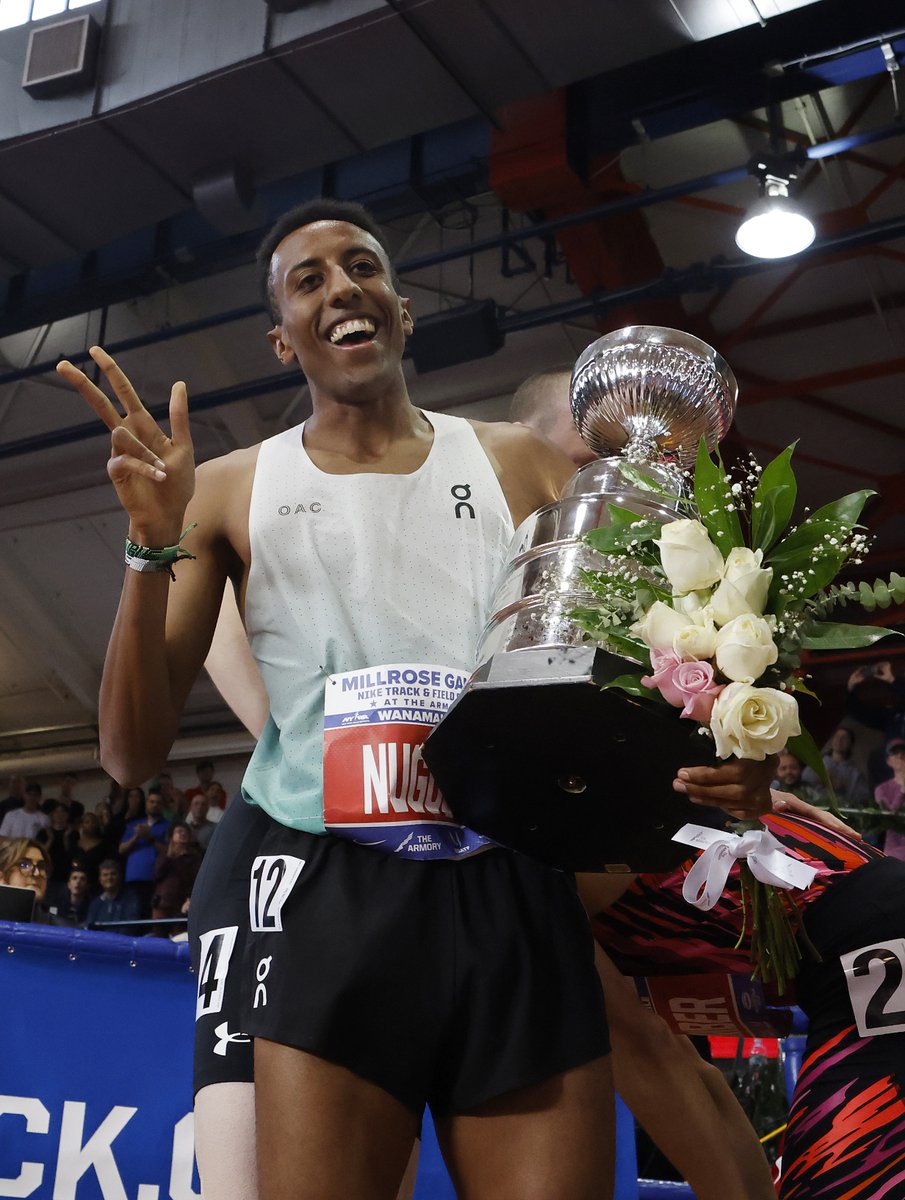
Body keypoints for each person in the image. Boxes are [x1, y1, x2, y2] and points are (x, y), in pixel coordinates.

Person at [59, 198, 774, 1200]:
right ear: (281, 338)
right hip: (327, 892)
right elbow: (131, 755)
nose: (342, 287)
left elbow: (642, 674)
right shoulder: (223, 490)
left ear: (399, 310)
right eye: (309, 280)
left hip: (512, 887)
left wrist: (723, 766)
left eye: (363, 268)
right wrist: (148, 546)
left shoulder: (516, 463)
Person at [118, 787, 169, 915]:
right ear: (146, 803)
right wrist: (136, 836)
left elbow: (169, 852)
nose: (154, 805)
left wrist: (150, 838)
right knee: (132, 914)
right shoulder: (134, 825)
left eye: (158, 802)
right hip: (133, 877)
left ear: (163, 806)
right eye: (152, 802)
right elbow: (121, 850)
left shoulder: (168, 826)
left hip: (155, 878)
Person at [0, 837, 52, 920]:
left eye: (41, 866)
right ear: (1, 877)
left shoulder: (66, 929)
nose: (37, 873)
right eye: (24, 865)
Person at [85, 858, 142, 931]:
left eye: (113, 874)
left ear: (119, 876)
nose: (109, 878)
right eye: (105, 875)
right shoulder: (95, 903)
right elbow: (90, 928)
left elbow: (130, 928)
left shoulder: (131, 899)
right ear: (100, 879)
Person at [874, 738, 905, 861]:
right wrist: (902, 791)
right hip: (894, 852)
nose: (900, 756)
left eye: (903, 753)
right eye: (895, 754)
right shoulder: (882, 789)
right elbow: (889, 817)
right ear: (888, 761)